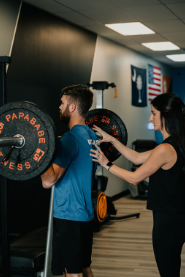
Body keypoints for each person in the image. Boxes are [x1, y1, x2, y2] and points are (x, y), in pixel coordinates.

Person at [90, 93, 185, 277]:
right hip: (177, 217)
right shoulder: (175, 144)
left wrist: (106, 164)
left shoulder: (165, 149)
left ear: (165, 115)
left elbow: (134, 178)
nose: (150, 118)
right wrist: (112, 140)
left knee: (168, 270)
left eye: (153, 113)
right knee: (172, 266)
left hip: (167, 221)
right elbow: (137, 157)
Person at [41, 84, 98, 277]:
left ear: (72, 107)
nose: (59, 106)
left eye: (62, 103)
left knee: (72, 272)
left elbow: (48, 181)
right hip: (85, 213)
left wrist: (39, 153)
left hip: (69, 214)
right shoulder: (91, 135)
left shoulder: (70, 139)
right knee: (84, 267)